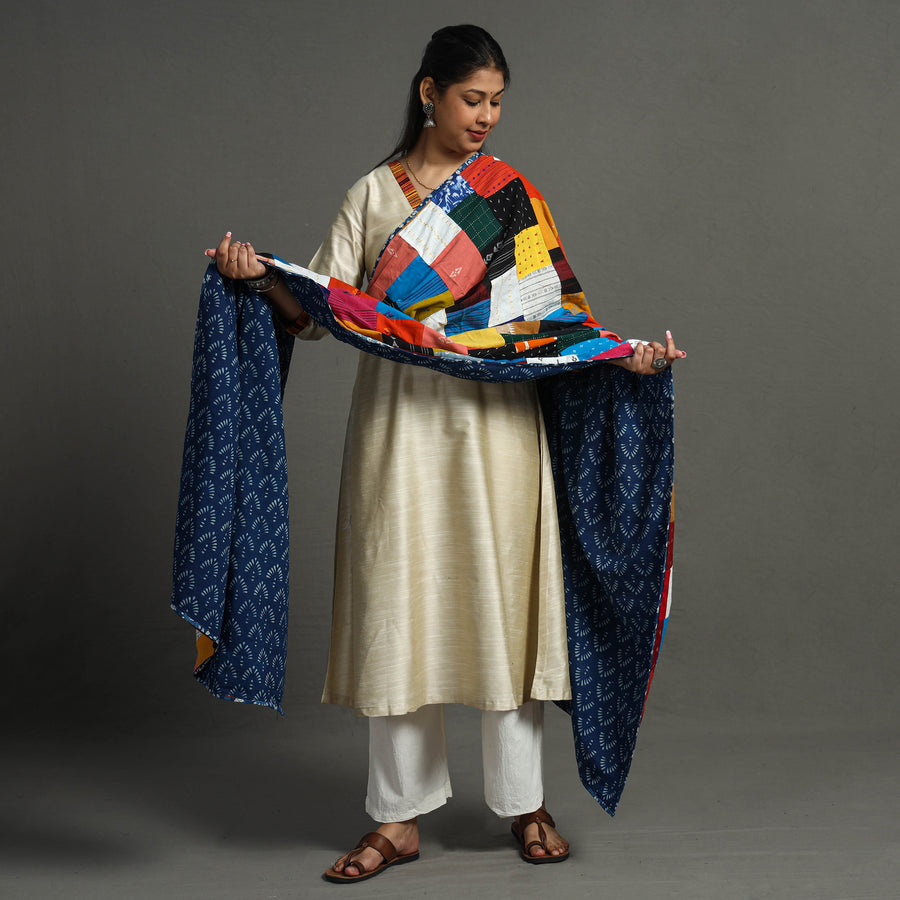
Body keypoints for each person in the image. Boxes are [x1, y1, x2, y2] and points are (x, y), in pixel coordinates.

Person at [204, 24, 684, 885]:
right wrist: (259, 276)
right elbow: (317, 310)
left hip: (499, 432)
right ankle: (396, 818)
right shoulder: (370, 196)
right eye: (472, 99)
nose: (486, 117)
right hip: (400, 430)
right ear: (430, 92)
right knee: (400, 603)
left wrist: (631, 358)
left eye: (498, 102)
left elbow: (556, 327)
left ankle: (525, 802)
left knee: (505, 604)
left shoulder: (509, 200)